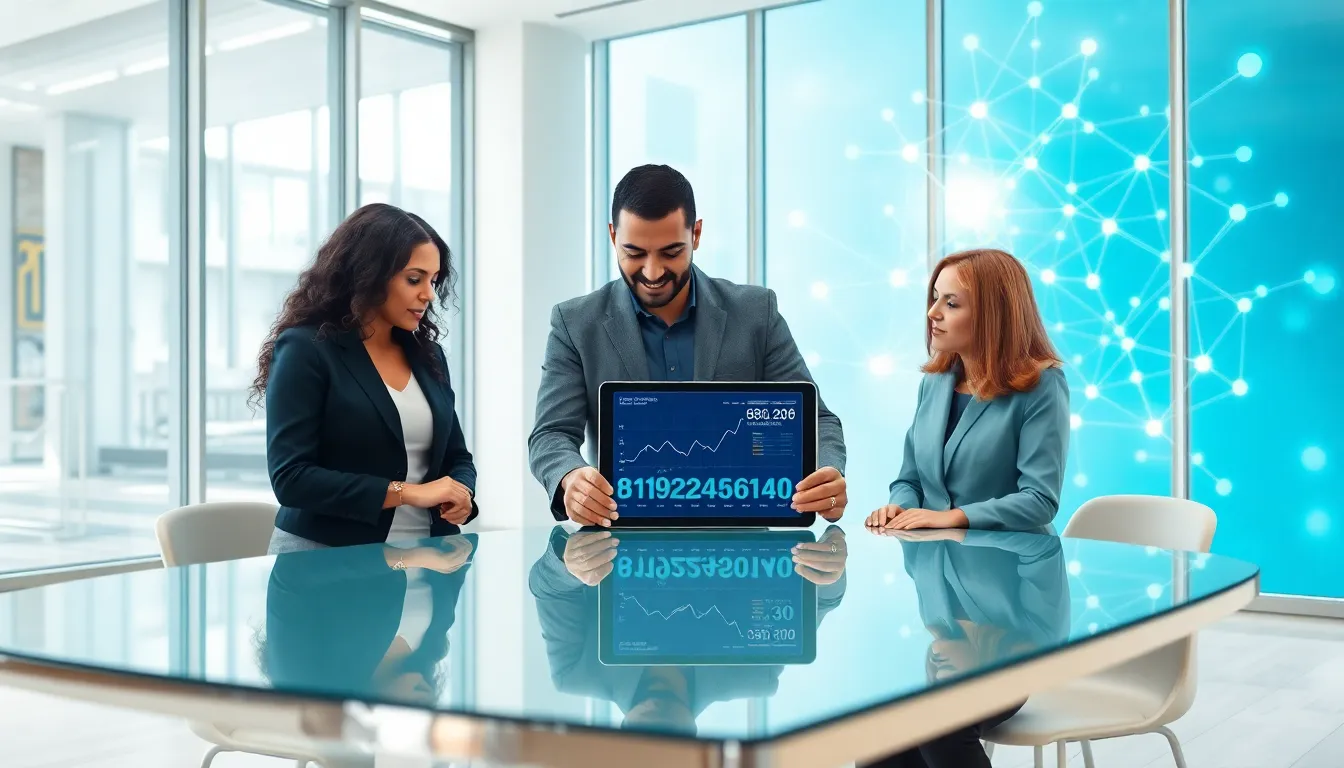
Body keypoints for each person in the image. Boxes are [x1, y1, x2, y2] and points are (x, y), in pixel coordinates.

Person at [530, 164, 847, 526]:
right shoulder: (575, 324)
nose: (652, 272)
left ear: (696, 234)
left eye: (670, 253)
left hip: (740, 544)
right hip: (623, 542)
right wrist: (570, 477)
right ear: (613, 236)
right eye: (634, 253)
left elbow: (815, 420)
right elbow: (551, 433)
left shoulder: (756, 313)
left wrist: (827, 473)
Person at [254, 203, 478, 553]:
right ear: (369, 274)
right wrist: (410, 493)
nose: (429, 294)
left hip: (431, 556)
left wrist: (462, 493)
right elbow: (292, 478)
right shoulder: (305, 349)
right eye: (414, 279)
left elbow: (457, 457)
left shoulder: (429, 356)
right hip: (326, 559)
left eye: (433, 281)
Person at [528, 526, 847, 734]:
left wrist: (568, 563)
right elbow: (818, 601)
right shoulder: (752, 675)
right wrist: (830, 567)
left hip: (631, 493)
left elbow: (549, 589)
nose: (657, 743)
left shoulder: (576, 673)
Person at [866, 248, 1070, 535]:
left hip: (1012, 558)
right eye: (935, 298)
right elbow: (910, 481)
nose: (933, 313)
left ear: (994, 315)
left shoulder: (1043, 386)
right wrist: (900, 508)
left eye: (951, 304)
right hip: (933, 556)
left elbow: (1040, 500)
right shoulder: (934, 383)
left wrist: (956, 517)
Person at [862, 528, 1069, 768]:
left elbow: (1042, 544)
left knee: (940, 725)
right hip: (975, 655)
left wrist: (959, 528)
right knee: (879, 728)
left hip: (1014, 665)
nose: (937, 665)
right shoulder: (925, 545)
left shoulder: (1018, 535)